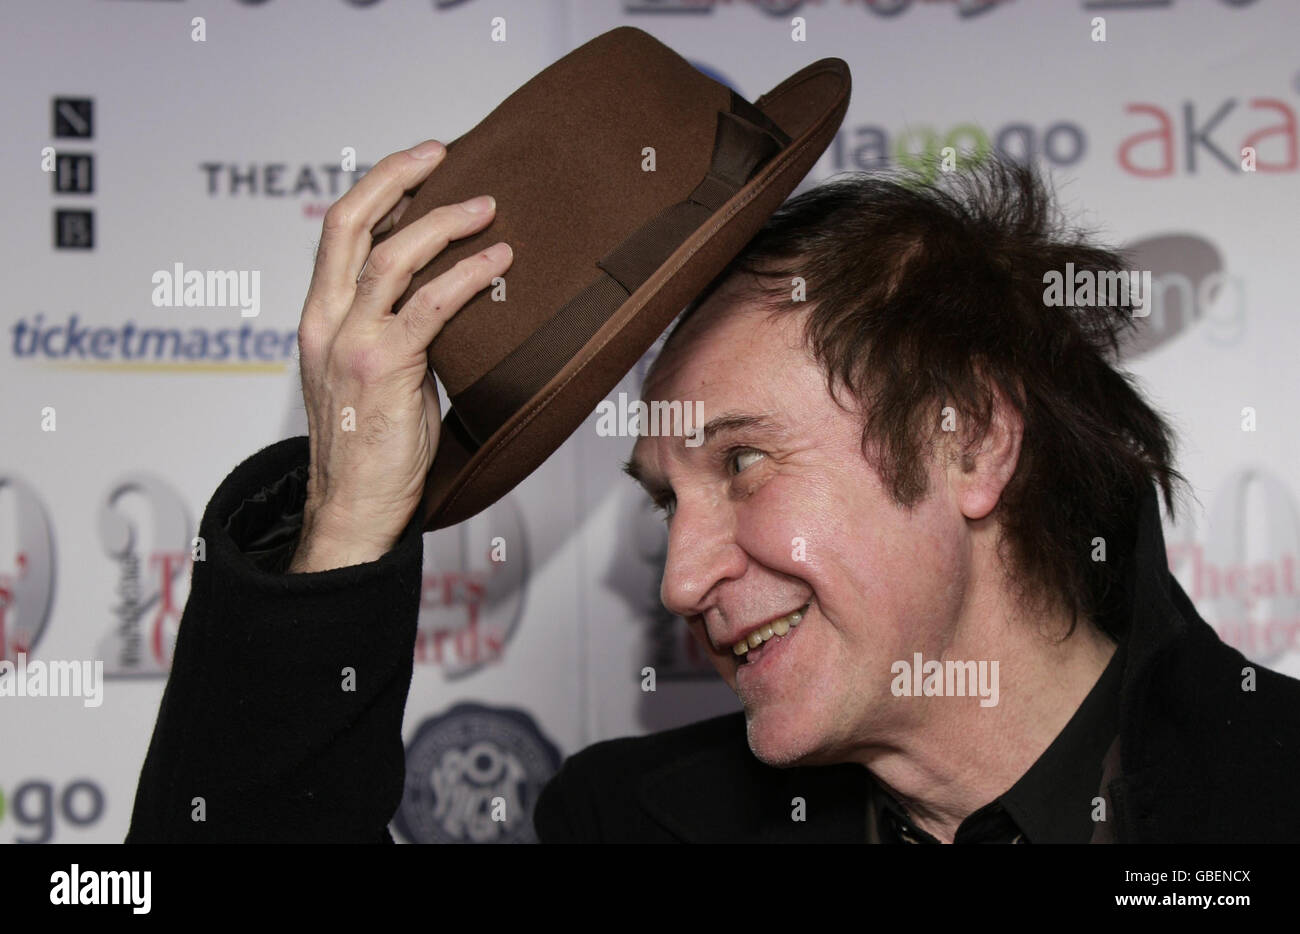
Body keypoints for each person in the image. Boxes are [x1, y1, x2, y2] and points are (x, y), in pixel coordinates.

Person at [125, 143, 1300, 844]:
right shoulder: (628, 827)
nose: (682, 579)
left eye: (741, 461)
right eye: (661, 502)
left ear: (971, 441)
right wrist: (346, 517)